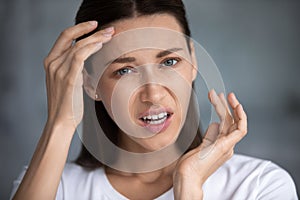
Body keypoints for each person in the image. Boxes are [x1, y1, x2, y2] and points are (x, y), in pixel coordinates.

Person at [10, 0, 298, 199]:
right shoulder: (52, 187)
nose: (153, 94)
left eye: (170, 62)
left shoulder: (258, 187)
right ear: (89, 83)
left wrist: (188, 189)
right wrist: (60, 122)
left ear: (193, 60)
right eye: (124, 70)